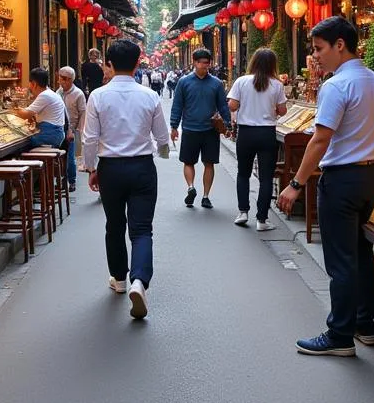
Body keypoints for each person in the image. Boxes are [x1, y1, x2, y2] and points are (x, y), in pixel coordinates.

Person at [277, 16, 374, 358]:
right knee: (361, 253)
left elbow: (320, 139)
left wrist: (296, 184)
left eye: (319, 49)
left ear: (339, 45)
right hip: (372, 176)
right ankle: (364, 324)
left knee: (342, 260)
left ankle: (339, 333)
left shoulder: (336, 86)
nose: (315, 57)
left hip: (341, 179)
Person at [82, 38, 170, 320]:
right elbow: (162, 138)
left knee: (115, 224)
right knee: (142, 229)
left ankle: (119, 279)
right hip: (142, 167)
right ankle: (139, 281)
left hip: (110, 168)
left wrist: (91, 166)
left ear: (108, 64)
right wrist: (162, 153)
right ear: (136, 64)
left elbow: (90, 138)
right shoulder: (149, 96)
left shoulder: (97, 96)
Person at [229, 48, 288, 231]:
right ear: (272, 65)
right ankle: (262, 219)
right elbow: (283, 110)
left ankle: (243, 212)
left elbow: (232, 104)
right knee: (265, 177)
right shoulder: (277, 85)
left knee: (243, 173)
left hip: (246, 133)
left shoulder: (241, 81)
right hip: (266, 133)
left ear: (253, 62)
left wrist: (244, 104)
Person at [169, 47, 231, 210]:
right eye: (202, 63)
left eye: (207, 63)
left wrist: (228, 124)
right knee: (188, 162)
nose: (205, 66)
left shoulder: (216, 84)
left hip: (210, 129)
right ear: (194, 62)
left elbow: (223, 106)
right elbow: (177, 105)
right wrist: (174, 126)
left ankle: (206, 196)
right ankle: (191, 187)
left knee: (209, 163)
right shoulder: (183, 82)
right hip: (190, 128)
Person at [14, 68, 68, 148]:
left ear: (34, 84)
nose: (30, 88)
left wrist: (13, 110)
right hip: (56, 134)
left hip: (50, 135)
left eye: (30, 84)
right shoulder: (50, 93)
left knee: (18, 146)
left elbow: (26, 114)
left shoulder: (44, 95)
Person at [57, 66, 87, 192]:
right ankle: (61, 180)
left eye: (63, 79)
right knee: (60, 157)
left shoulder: (78, 94)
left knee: (70, 158)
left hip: (72, 129)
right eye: (60, 78)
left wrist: (79, 131)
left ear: (70, 80)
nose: (61, 81)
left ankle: (72, 181)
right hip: (59, 128)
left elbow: (83, 113)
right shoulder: (58, 92)